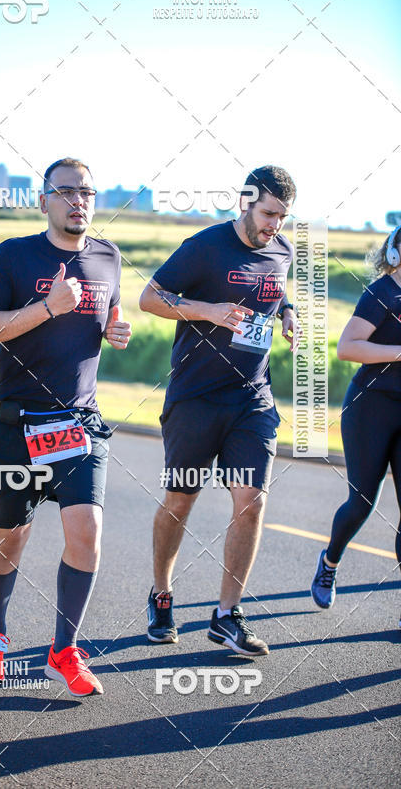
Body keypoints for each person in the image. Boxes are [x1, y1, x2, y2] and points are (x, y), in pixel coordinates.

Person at [0, 157, 131, 696]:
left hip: (77, 422)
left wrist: (115, 330)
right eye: (65, 191)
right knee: (11, 535)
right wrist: (46, 307)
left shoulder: (109, 257)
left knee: (86, 529)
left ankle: (65, 650)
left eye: (86, 191)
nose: (77, 200)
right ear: (44, 201)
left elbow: (110, 312)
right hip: (15, 422)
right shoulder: (14, 255)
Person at [140, 165, 298, 656]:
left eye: (283, 217)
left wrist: (288, 315)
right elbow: (150, 298)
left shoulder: (283, 251)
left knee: (252, 500)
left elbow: (274, 290)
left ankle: (227, 614)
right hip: (196, 398)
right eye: (269, 213)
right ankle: (161, 593)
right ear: (245, 203)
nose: (275, 224)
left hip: (252, 398)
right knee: (181, 499)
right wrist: (206, 310)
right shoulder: (204, 247)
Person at [311, 226, 401, 621]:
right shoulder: (382, 293)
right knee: (362, 501)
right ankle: (330, 562)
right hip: (371, 407)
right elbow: (348, 347)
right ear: (396, 253)